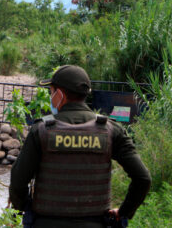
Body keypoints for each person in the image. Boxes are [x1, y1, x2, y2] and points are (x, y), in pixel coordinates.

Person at [9, 65, 152, 227]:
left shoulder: (41, 130)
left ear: (59, 95)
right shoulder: (111, 130)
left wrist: (25, 208)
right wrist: (124, 212)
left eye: (51, 92)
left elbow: (18, 181)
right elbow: (143, 178)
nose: (51, 96)